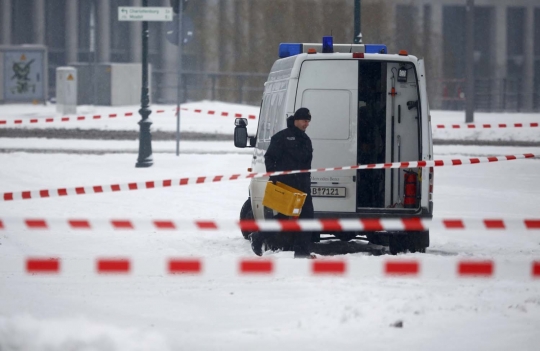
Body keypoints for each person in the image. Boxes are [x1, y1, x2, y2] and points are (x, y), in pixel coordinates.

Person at [250, 107, 315, 258]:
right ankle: (258, 236)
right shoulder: (282, 137)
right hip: (287, 184)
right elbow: (270, 158)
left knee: (306, 217)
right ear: (296, 120)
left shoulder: (305, 139)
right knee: (285, 217)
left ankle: (302, 252)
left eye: (308, 121)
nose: (307, 124)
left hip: (303, 184)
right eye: (305, 121)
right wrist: (275, 177)